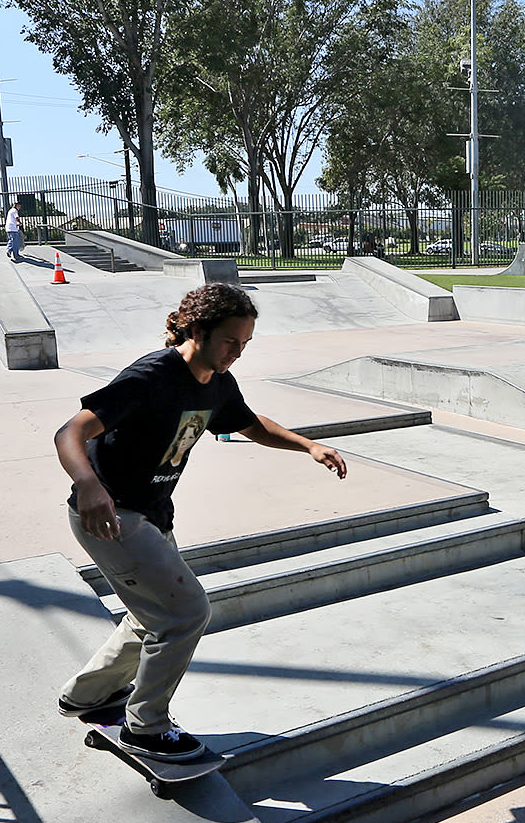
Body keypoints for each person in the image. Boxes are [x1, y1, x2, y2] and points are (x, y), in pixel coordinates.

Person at [53, 282, 347, 761]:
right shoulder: (152, 376)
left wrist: (308, 445)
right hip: (112, 515)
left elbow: (250, 424)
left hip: (151, 514)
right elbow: (72, 431)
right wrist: (88, 484)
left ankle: (87, 694)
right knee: (187, 613)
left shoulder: (217, 381)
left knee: (151, 616)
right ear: (197, 329)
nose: (237, 353)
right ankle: (146, 727)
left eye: (245, 344)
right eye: (231, 341)